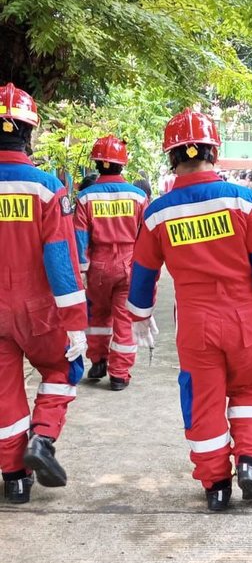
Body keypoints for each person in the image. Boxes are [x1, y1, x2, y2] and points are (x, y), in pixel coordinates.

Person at [127, 107, 252, 511]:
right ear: (212, 150)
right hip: (245, 319)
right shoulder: (244, 200)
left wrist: (140, 316)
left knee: (203, 400)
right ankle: (251, 462)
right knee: (249, 389)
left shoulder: (157, 213)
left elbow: (143, 274)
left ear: (172, 157)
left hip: (196, 324)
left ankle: (216, 484)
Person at [0, 83, 87, 504]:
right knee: (64, 369)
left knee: (4, 394)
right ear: (29, 133)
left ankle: (15, 479)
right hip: (38, 311)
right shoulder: (46, 187)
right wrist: (75, 325)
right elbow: (60, 261)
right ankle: (43, 439)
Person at [73, 135, 147, 391]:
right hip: (129, 264)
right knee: (123, 320)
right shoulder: (138, 197)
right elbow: (145, 236)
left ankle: (98, 361)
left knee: (97, 315)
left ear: (96, 164)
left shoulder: (85, 198)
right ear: (122, 164)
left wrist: (82, 270)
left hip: (98, 266)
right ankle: (119, 374)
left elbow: (80, 238)